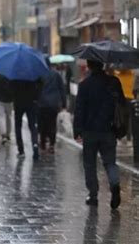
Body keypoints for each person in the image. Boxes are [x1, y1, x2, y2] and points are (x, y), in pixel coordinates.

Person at [74, 60, 124, 210]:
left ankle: (93, 195)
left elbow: (79, 109)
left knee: (89, 164)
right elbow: (121, 103)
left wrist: (77, 130)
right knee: (110, 162)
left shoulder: (84, 85)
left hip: (89, 131)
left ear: (89, 66)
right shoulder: (113, 82)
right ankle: (114, 184)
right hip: (108, 130)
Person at [11, 79, 42, 159]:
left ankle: (21, 150)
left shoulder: (16, 76)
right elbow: (40, 86)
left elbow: (11, 89)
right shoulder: (33, 75)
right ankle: (35, 144)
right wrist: (36, 98)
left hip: (18, 102)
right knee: (32, 126)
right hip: (31, 102)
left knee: (18, 126)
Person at [38, 65, 66, 153]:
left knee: (42, 123)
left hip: (42, 103)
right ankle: (51, 145)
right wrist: (64, 103)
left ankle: (42, 144)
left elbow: (36, 88)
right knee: (52, 124)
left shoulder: (39, 74)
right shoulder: (56, 74)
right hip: (54, 103)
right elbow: (62, 89)